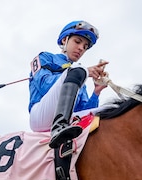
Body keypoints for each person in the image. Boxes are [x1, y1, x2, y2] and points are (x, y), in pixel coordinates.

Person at [29, 20, 109, 149]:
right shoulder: (46, 57)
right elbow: (44, 85)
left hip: (71, 119)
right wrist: (82, 72)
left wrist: (96, 92)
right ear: (64, 40)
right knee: (78, 69)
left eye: (85, 47)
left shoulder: (79, 76)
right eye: (77, 42)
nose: (81, 48)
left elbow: (83, 112)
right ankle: (58, 130)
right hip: (41, 116)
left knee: (111, 109)